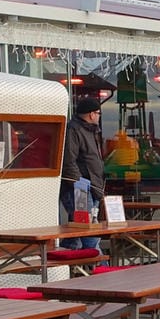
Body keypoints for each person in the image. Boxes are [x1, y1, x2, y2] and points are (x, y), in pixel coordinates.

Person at [60, 94, 106, 250]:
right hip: (80, 189)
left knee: (84, 235)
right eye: (98, 113)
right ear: (92, 114)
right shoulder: (73, 130)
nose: (99, 117)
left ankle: (86, 266)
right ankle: (100, 267)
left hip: (93, 188)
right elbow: (68, 161)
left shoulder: (91, 131)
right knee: (88, 235)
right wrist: (79, 186)